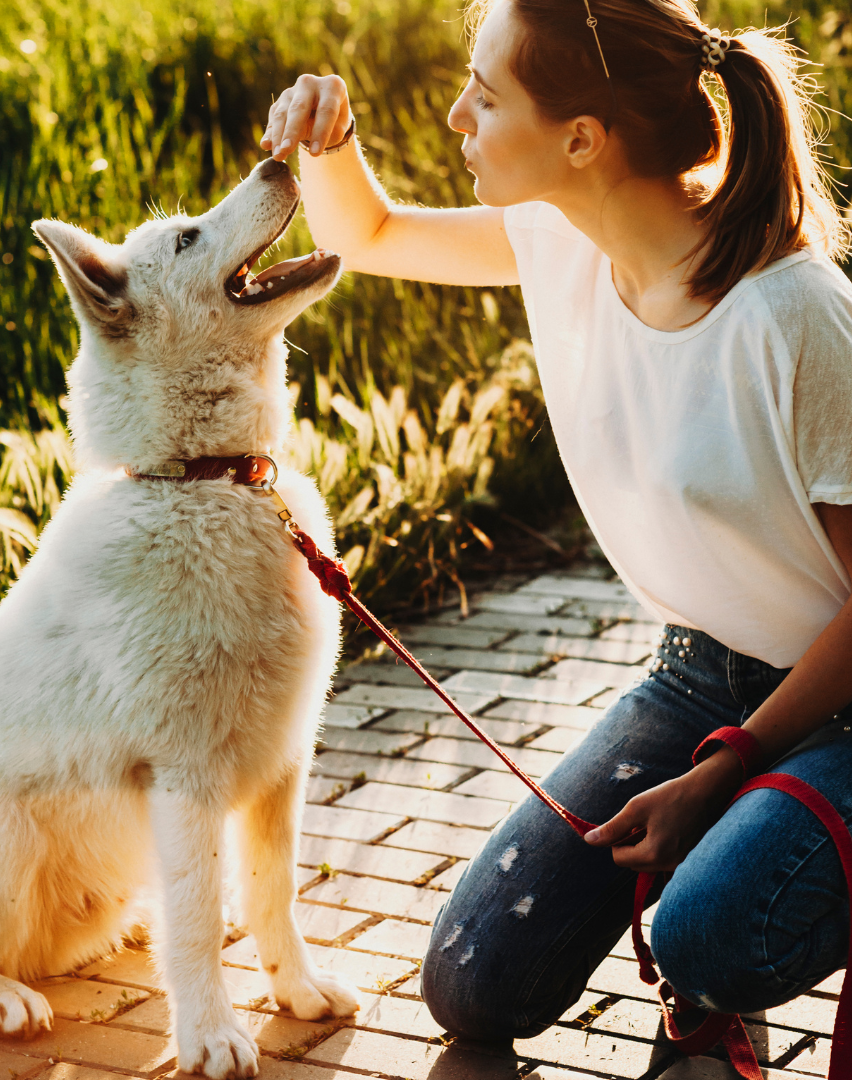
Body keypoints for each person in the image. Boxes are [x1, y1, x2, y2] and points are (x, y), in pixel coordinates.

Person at [260, 0, 852, 1043]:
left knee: (711, 937)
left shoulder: (792, 315)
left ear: (582, 139)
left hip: (839, 703)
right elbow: (373, 232)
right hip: (698, 676)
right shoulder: (562, 242)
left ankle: (726, 965)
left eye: (486, 98)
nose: (455, 115)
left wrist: (724, 769)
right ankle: (743, 850)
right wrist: (331, 141)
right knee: (474, 982)